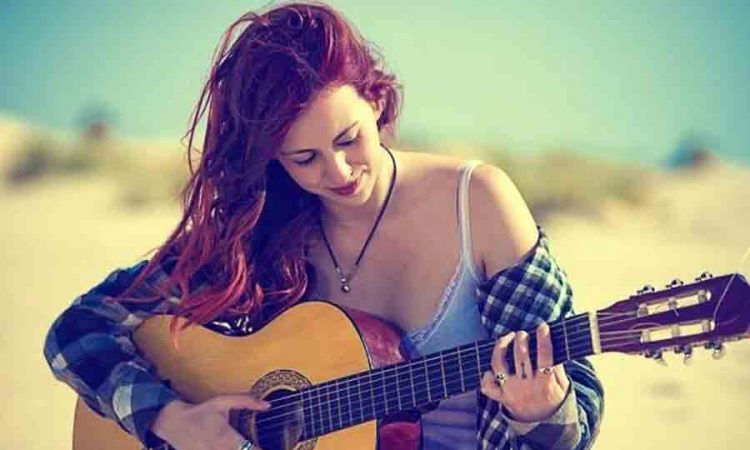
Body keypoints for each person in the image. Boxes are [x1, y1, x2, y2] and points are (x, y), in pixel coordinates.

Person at [43, 2, 604, 449]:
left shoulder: (476, 203)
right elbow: (79, 330)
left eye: (348, 139)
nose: (337, 172)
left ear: (376, 101)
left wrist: (541, 410)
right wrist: (169, 420)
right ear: (274, 160)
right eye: (304, 158)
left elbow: (574, 421)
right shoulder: (263, 232)